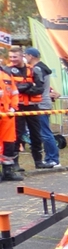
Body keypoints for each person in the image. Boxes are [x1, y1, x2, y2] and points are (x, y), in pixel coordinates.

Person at [8, 46, 51, 169]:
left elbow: (40, 88)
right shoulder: (7, 70)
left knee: (36, 134)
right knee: (17, 135)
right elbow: (11, 89)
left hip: (32, 107)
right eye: (11, 57)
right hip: (17, 107)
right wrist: (28, 85)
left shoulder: (34, 70)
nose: (12, 59)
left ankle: (38, 161)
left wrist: (24, 88)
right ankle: (15, 164)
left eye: (15, 57)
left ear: (22, 56)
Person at [24, 47, 61, 168]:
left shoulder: (37, 69)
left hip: (41, 104)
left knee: (45, 133)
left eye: (25, 55)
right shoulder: (42, 68)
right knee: (44, 132)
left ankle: (53, 159)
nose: (25, 58)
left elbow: (38, 87)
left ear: (31, 56)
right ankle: (50, 158)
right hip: (43, 103)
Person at [0, 51, 23, 181]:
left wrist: (13, 107)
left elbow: (14, 93)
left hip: (8, 115)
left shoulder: (6, 75)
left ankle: (8, 171)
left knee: (9, 143)